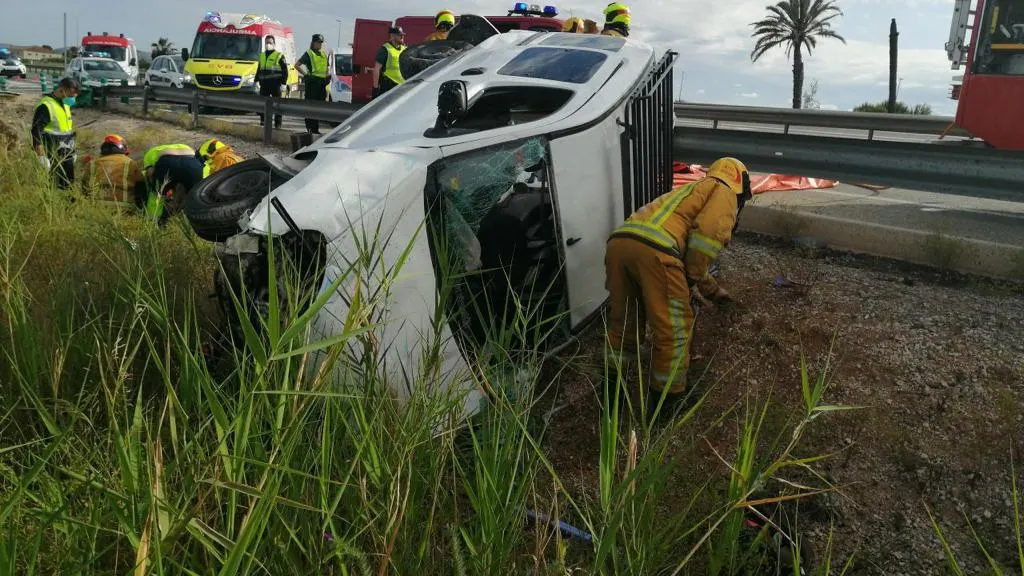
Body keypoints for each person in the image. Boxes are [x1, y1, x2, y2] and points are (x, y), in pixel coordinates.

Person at [604, 157, 753, 416]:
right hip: (657, 253)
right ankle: (667, 404)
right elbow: (706, 237)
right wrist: (695, 279)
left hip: (620, 244)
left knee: (623, 324)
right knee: (673, 332)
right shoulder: (725, 191)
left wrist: (710, 288)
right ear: (741, 184)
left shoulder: (691, 190)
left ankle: (609, 394)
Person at [31, 77, 80, 189]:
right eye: (71, 95)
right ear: (61, 90)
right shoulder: (46, 106)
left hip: (67, 153)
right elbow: (36, 132)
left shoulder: (65, 104)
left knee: (68, 188)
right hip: (51, 154)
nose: (73, 98)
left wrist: (73, 151)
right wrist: (41, 157)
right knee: (51, 188)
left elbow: (66, 131)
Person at [137, 144, 201, 222]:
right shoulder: (184, 146)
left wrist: (155, 186)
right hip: (192, 164)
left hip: (166, 163)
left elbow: (150, 173)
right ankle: (193, 221)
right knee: (195, 194)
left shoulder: (149, 155)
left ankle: (153, 221)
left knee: (157, 195)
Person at [81, 134, 141, 209]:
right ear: (121, 147)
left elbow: (84, 187)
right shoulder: (130, 163)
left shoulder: (92, 163)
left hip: (96, 208)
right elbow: (140, 187)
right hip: (124, 209)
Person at [295, 34, 329, 134]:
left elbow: (326, 68)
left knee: (318, 109)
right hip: (312, 84)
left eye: (321, 43)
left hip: (321, 85)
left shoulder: (323, 54)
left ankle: (315, 129)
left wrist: (327, 77)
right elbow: (297, 65)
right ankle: (310, 128)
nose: (320, 44)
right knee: (310, 107)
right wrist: (306, 75)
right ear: (313, 43)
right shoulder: (309, 54)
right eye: (318, 42)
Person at [257, 35, 288, 129]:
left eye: (270, 43)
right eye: (266, 43)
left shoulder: (279, 55)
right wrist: (256, 80)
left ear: (274, 44)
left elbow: (284, 70)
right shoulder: (262, 55)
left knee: (277, 104)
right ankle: (263, 121)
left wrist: (283, 83)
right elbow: (259, 69)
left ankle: (278, 124)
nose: (268, 44)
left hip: (275, 84)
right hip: (264, 84)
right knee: (262, 103)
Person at [373, 26, 406, 98]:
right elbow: (377, 69)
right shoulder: (385, 49)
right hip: (388, 87)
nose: (402, 37)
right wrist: (375, 89)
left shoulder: (404, 49)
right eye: (400, 35)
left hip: (401, 87)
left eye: (403, 35)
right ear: (393, 36)